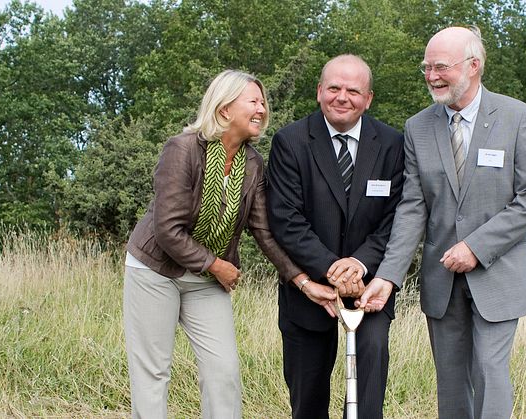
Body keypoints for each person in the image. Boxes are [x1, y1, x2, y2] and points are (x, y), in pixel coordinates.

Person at [358, 26, 526, 418]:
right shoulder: (418, 127)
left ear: (474, 65)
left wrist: (476, 248)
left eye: (440, 66)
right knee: (449, 382)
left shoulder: (519, 117)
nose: (431, 76)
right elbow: (413, 207)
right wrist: (387, 276)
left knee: (490, 372)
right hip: (441, 280)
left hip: (500, 273)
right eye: (426, 67)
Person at [123, 69, 309, 419]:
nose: (262, 109)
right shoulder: (183, 149)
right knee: (153, 373)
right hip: (155, 269)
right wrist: (215, 265)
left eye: (263, 102)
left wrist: (301, 279)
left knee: (223, 371)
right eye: (253, 101)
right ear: (224, 109)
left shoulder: (252, 163)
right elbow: (167, 229)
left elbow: (263, 231)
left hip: (206, 281)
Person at [266, 54, 405, 419]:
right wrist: (332, 269)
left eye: (353, 90)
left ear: (369, 98)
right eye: (334, 88)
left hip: (370, 293)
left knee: (366, 401)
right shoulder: (290, 142)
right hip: (310, 292)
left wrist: (359, 266)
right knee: (308, 401)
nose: (342, 97)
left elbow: (397, 218)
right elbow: (285, 218)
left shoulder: (392, 144)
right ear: (319, 92)